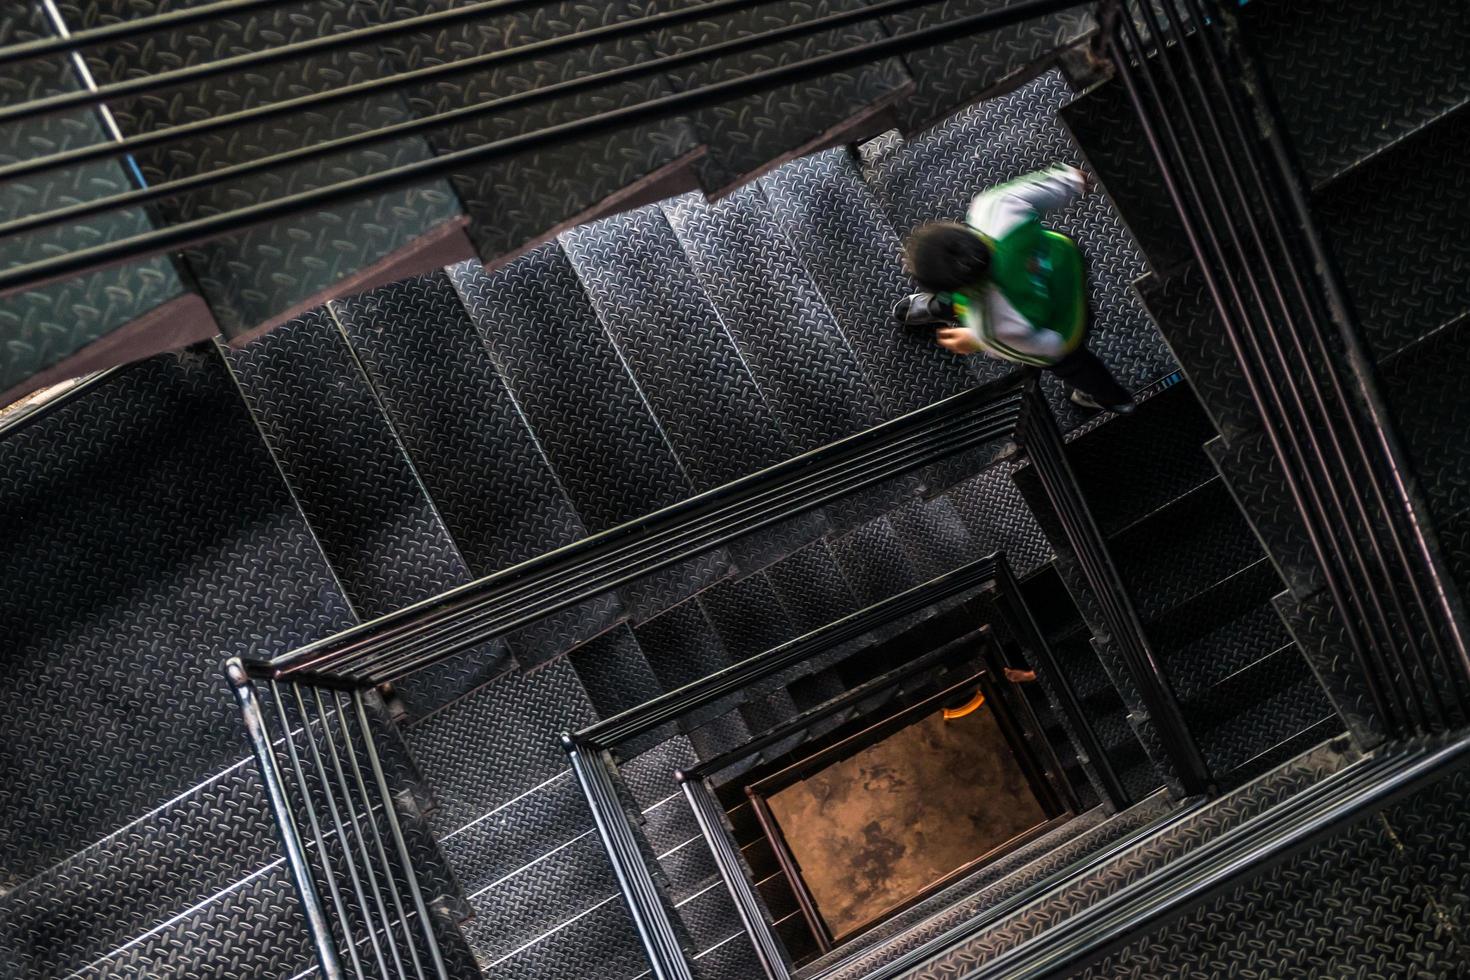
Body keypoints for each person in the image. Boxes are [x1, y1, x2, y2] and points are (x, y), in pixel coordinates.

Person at [893, 164, 1135, 414]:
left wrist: (976, 339)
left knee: (1075, 367)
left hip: (1062, 324)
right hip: (1063, 268)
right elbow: (1044, 189)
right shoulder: (992, 207)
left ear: (950, 289)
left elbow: (1050, 349)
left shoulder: (991, 325)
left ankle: (1113, 399)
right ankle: (939, 307)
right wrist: (1072, 181)